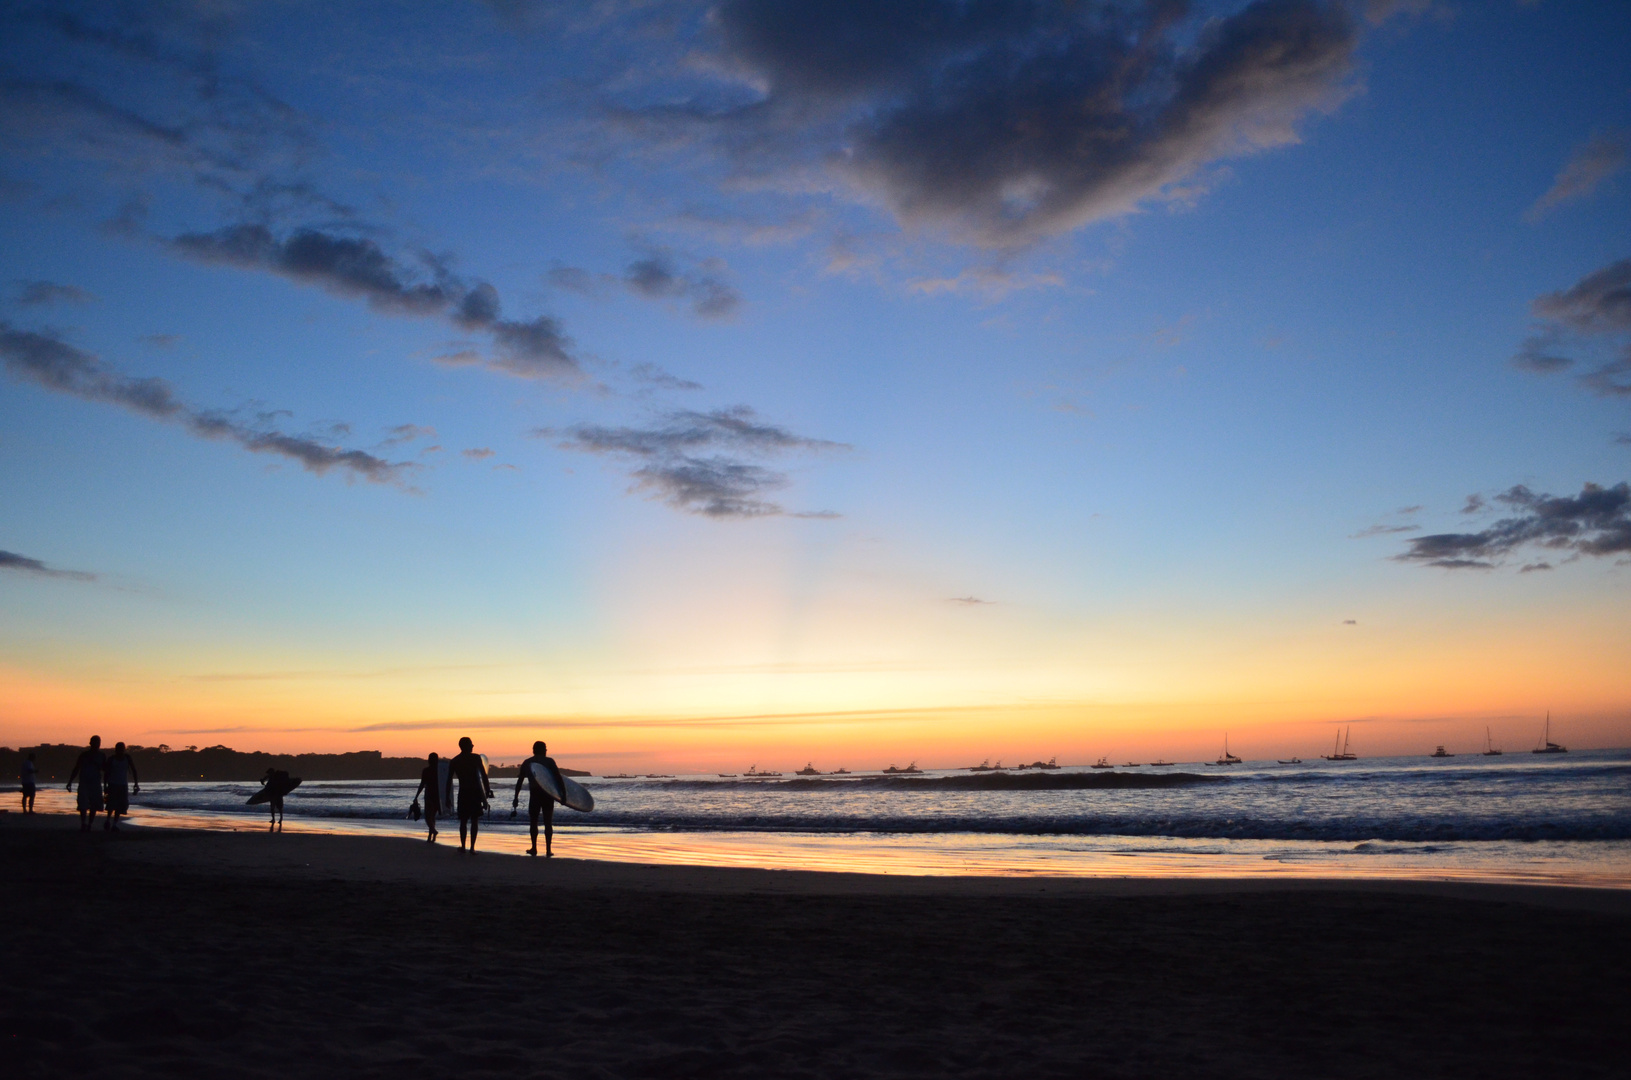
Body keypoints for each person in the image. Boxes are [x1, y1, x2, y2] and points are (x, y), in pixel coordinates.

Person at [512, 740, 567, 857]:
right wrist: (563, 794)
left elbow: (520, 781)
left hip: (535, 795)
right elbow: (558, 778)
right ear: (542, 749)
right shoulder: (549, 761)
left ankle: (534, 848)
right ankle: (548, 849)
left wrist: (516, 797)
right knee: (548, 822)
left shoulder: (527, 762)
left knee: (533, 822)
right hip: (547, 795)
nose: (547, 750)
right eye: (545, 748)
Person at [449, 737, 492, 852]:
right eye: (471, 744)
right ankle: (472, 848)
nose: (473, 746)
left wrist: (448, 798)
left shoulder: (455, 761)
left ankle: (463, 846)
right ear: (467, 746)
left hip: (463, 792)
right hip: (475, 793)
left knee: (463, 821)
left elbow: (449, 781)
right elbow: (483, 775)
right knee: (474, 820)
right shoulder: (476, 758)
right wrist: (487, 791)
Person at [66, 736, 107, 831]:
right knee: (83, 804)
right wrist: (70, 782)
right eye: (95, 742)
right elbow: (76, 768)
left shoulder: (102, 755)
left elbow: (105, 770)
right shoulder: (84, 755)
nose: (97, 744)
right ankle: (83, 823)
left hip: (96, 782)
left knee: (94, 805)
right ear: (90, 743)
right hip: (84, 782)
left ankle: (89, 824)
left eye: (98, 742)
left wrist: (106, 784)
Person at [102, 742, 140, 831]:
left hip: (123, 785)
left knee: (119, 806)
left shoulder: (127, 758)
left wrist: (136, 783)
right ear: (116, 749)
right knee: (111, 805)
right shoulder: (111, 759)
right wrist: (105, 786)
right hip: (112, 784)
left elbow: (134, 770)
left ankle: (114, 824)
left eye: (122, 749)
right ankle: (108, 820)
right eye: (119, 749)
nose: (120, 751)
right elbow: (106, 774)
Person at [411, 752, 442, 843]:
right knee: (432, 816)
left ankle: (433, 831)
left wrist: (416, 796)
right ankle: (430, 836)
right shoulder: (440, 771)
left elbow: (422, 784)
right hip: (438, 796)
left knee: (428, 817)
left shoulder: (426, 770)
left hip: (429, 795)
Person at [259, 767, 292, 832]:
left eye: (269, 772)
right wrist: (262, 781)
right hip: (277, 793)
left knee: (276, 807)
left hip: (276, 794)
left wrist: (262, 781)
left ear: (271, 772)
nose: (269, 774)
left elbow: (263, 781)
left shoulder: (276, 777)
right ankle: (275, 819)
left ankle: (279, 819)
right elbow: (263, 781)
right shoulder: (272, 777)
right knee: (275, 807)